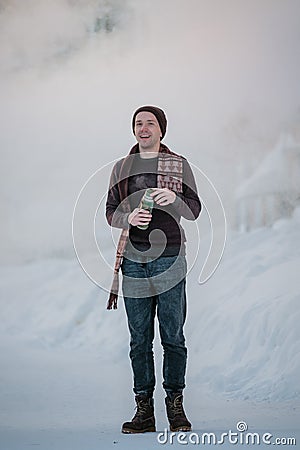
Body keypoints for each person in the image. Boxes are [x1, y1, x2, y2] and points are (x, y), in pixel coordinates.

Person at [105, 105, 201, 433]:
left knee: (173, 336)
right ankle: (143, 411)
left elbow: (194, 211)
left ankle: (175, 407)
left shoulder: (180, 165)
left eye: (150, 123)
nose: (143, 128)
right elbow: (110, 212)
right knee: (139, 339)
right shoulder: (122, 167)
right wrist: (127, 218)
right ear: (134, 130)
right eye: (138, 123)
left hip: (171, 258)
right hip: (133, 261)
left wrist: (174, 199)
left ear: (161, 129)